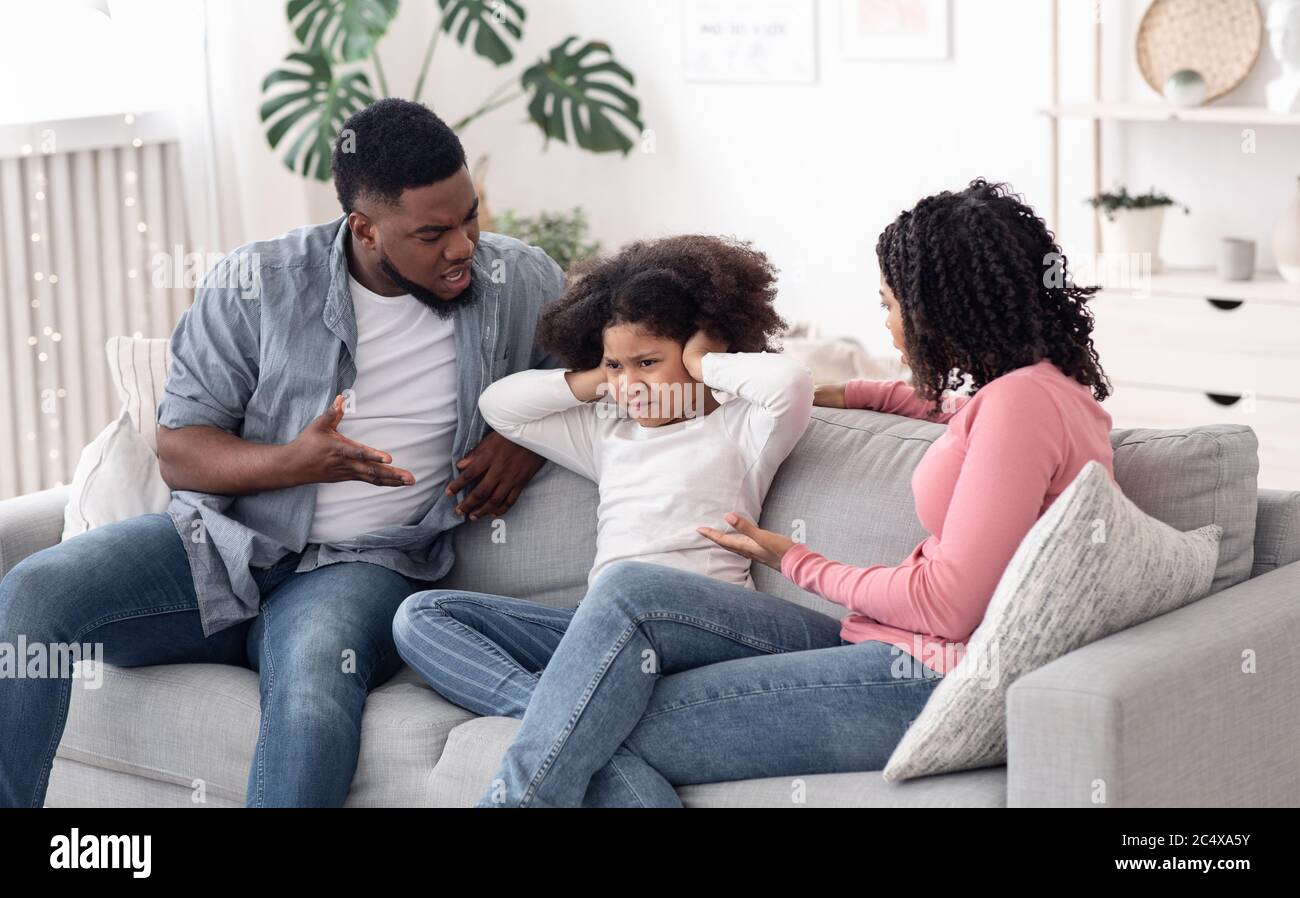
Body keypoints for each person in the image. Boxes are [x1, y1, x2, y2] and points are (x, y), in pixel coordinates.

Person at [478, 178, 1116, 807]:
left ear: (939, 310)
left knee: (598, 709)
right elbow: (958, 412)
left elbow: (947, 605)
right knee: (601, 683)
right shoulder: (1037, 394)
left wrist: (794, 560)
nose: (889, 324)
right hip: (900, 659)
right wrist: (867, 392)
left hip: (930, 678)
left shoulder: (1021, 405)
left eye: (890, 304)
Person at [0, 98, 564, 807]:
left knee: (313, 673)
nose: (463, 247)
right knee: (33, 591)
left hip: (366, 565)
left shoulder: (521, 282)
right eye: (432, 232)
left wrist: (521, 440)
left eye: (470, 216)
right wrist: (293, 464)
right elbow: (179, 449)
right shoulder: (260, 283)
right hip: (223, 546)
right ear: (364, 229)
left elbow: (594, 372)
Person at [390, 234, 815, 807]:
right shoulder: (607, 430)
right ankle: (580, 717)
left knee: (625, 587)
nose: (631, 384)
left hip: (699, 627)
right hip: (604, 635)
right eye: (617, 365)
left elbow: (790, 385)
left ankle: (567, 730)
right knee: (423, 614)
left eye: (649, 362)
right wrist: (601, 378)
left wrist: (702, 362)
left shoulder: (741, 427)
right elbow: (499, 405)